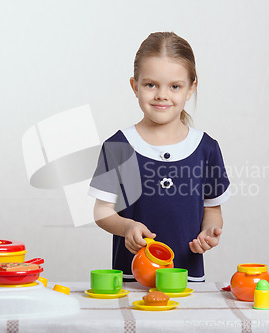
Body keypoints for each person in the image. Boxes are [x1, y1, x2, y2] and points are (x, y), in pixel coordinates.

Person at [88, 32, 231, 282]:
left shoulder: (206, 148)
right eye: (150, 84)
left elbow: (212, 209)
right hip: (130, 279)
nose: (162, 95)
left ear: (190, 88)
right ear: (135, 86)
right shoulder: (118, 146)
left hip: (185, 279)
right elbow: (101, 212)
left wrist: (208, 233)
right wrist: (127, 227)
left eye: (174, 86)